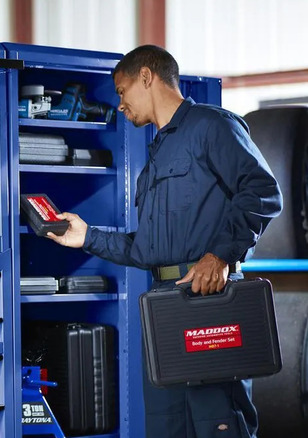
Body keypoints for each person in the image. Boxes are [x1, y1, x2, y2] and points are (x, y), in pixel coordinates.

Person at [45, 45, 282, 438]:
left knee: (217, 422)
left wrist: (220, 256)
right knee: (165, 425)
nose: (120, 104)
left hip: (210, 300)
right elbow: (148, 251)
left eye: (121, 91)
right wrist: (87, 237)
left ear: (146, 76)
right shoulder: (156, 152)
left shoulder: (212, 126)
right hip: (165, 306)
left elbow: (263, 191)